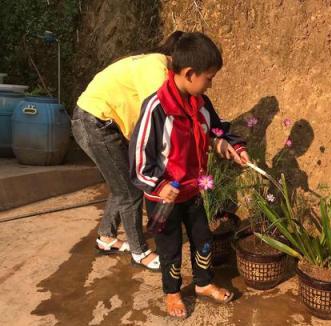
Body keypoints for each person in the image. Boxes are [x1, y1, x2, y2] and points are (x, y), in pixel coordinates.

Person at [129, 31, 249, 318]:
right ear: (189, 73)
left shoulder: (202, 104)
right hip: (165, 197)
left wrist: (231, 147)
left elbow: (218, 130)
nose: (211, 84)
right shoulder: (156, 109)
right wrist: (158, 185)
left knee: (203, 238)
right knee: (170, 246)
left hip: (194, 190)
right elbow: (138, 160)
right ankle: (172, 293)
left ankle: (203, 284)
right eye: (209, 78)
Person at [71, 32, 186, 271]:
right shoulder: (156, 65)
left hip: (97, 121)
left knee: (121, 182)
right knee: (131, 190)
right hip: (96, 122)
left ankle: (106, 237)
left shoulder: (149, 62)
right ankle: (139, 252)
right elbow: (158, 111)